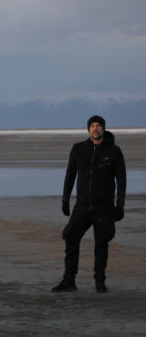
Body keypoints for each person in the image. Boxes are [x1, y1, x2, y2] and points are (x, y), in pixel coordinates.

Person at [52, 115, 126, 293]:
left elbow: (121, 180)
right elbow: (70, 176)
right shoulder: (78, 149)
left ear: (103, 129)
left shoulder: (114, 151)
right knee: (70, 236)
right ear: (88, 129)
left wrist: (120, 205)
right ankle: (69, 280)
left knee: (101, 242)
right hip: (83, 205)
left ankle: (99, 281)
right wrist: (65, 200)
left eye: (99, 126)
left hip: (104, 207)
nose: (96, 129)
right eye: (92, 126)